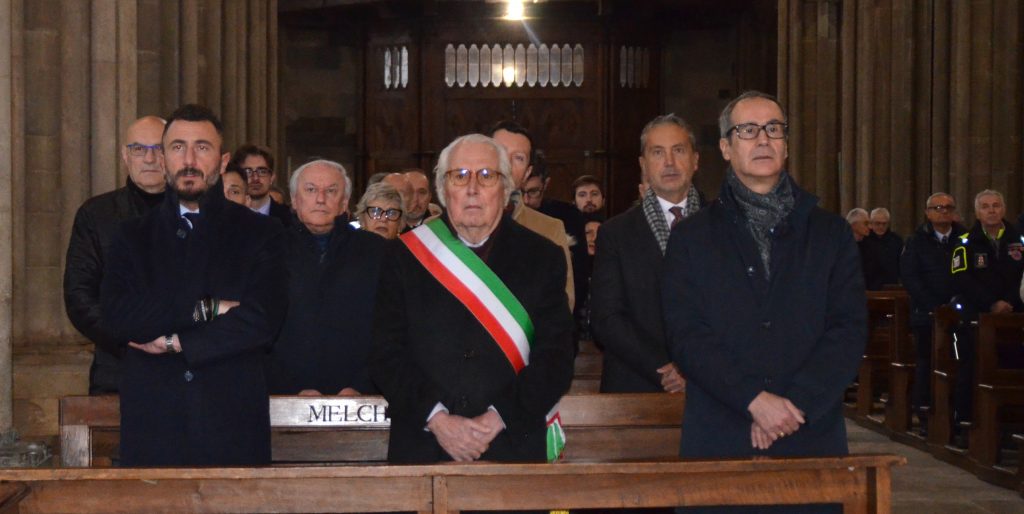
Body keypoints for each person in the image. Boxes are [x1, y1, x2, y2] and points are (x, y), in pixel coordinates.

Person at [662, 92, 865, 513]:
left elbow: (847, 330)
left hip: (808, 432)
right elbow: (687, 335)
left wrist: (793, 407)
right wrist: (753, 400)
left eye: (774, 129)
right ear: (725, 147)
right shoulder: (691, 237)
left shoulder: (831, 234)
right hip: (722, 431)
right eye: (748, 130)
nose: (763, 139)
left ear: (786, 145)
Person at [369, 133, 574, 464]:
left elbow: (556, 357)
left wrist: (497, 418)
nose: (472, 188)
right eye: (460, 176)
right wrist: (438, 420)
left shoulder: (542, 257)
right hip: (424, 446)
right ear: (443, 189)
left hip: (512, 444)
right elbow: (385, 353)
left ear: (505, 189)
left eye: (487, 176)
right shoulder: (403, 256)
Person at [100, 104, 287, 466]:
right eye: (177, 147)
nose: (188, 160)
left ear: (222, 160)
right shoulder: (132, 236)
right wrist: (208, 309)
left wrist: (176, 341)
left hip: (230, 421)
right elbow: (117, 316)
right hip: (155, 423)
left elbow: (262, 320)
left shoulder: (261, 233)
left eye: (202, 147)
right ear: (163, 159)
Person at [591, 114, 701, 393]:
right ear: (643, 165)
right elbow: (607, 318)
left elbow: (735, 312)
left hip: (711, 385)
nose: (669, 162)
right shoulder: (615, 233)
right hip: (635, 387)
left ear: (695, 160)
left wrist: (694, 367)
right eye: (658, 152)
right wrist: (665, 369)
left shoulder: (724, 226)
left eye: (679, 150)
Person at [64, 115, 167, 394]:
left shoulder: (196, 211)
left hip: (187, 369)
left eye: (159, 148)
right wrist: (128, 338)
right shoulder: (96, 214)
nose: (149, 159)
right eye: (139, 149)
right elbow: (79, 295)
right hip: (118, 371)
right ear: (125, 155)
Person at [265, 159, 386, 396]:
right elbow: (258, 326)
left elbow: (389, 327)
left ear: (344, 202)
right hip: (283, 395)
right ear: (295, 200)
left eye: (331, 191)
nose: (320, 199)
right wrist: (289, 388)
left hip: (360, 396)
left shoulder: (376, 251)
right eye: (311, 190)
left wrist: (363, 385)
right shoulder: (270, 250)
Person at [949, 189, 1024, 434]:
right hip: (977, 317)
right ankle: (966, 423)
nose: (991, 210)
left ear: (1004, 209)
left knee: (1013, 368)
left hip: (1013, 316)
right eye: (985, 206)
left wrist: (1009, 301)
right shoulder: (965, 242)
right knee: (971, 367)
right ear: (977, 213)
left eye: (996, 205)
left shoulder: (1019, 240)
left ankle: (1010, 425)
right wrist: (991, 303)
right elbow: (961, 279)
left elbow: (1022, 277)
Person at [490, 120, 575, 310]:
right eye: (500, 152)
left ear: (527, 172)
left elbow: (563, 301)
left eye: (518, 158)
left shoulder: (549, 229)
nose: (507, 164)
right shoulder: (445, 225)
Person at [900, 192, 965, 433]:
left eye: (948, 207)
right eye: (937, 208)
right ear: (928, 213)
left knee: (962, 362)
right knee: (927, 361)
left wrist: (957, 302)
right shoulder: (916, 241)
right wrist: (934, 306)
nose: (943, 211)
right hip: (926, 315)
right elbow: (910, 277)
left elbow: (969, 275)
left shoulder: (964, 239)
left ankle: (957, 414)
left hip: (959, 313)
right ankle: (926, 412)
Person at [231, 143, 290, 226]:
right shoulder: (226, 216)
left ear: (272, 177)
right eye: (248, 171)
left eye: (262, 171)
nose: (255, 178)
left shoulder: (289, 219)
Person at [848, 207, 887, 290]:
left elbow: (879, 273)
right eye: (866, 223)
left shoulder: (873, 247)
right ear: (854, 225)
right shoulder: (841, 247)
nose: (870, 227)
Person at [868, 207, 903, 285]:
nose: (881, 227)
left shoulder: (896, 240)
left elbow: (901, 265)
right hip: (868, 286)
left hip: (890, 285)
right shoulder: (864, 240)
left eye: (884, 224)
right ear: (871, 223)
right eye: (877, 223)